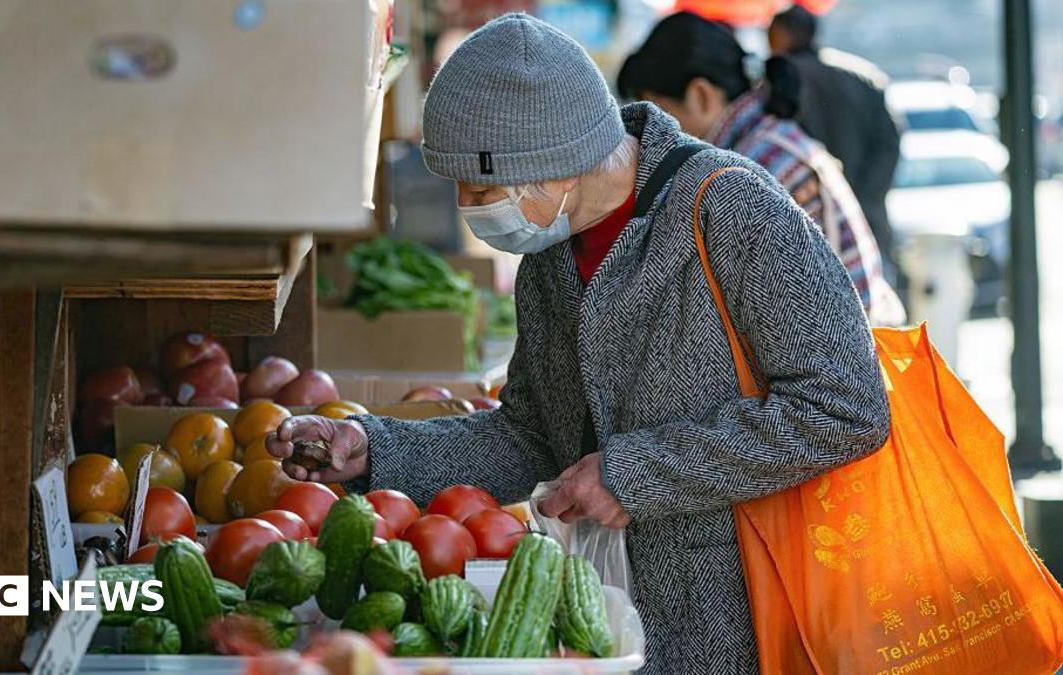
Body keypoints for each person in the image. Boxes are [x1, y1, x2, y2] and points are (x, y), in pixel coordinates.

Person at [267, 13, 890, 674]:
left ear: (556, 163)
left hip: (754, 624)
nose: (471, 207)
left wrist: (635, 473)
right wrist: (375, 448)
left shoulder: (732, 210)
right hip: (615, 623)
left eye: (482, 188)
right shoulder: (548, 260)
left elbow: (847, 407)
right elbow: (530, 438)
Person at [618, 11, 905, 327]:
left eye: (663, 113)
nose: (657, 137)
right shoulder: (768, 138)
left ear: (700, 95)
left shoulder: (745, 170)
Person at [770, 4, 903, 273]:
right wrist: (862, 197)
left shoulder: (777, 86)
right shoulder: (861, 77)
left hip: (808, 236)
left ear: (781, 36)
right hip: (866, 225)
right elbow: (889, 145)